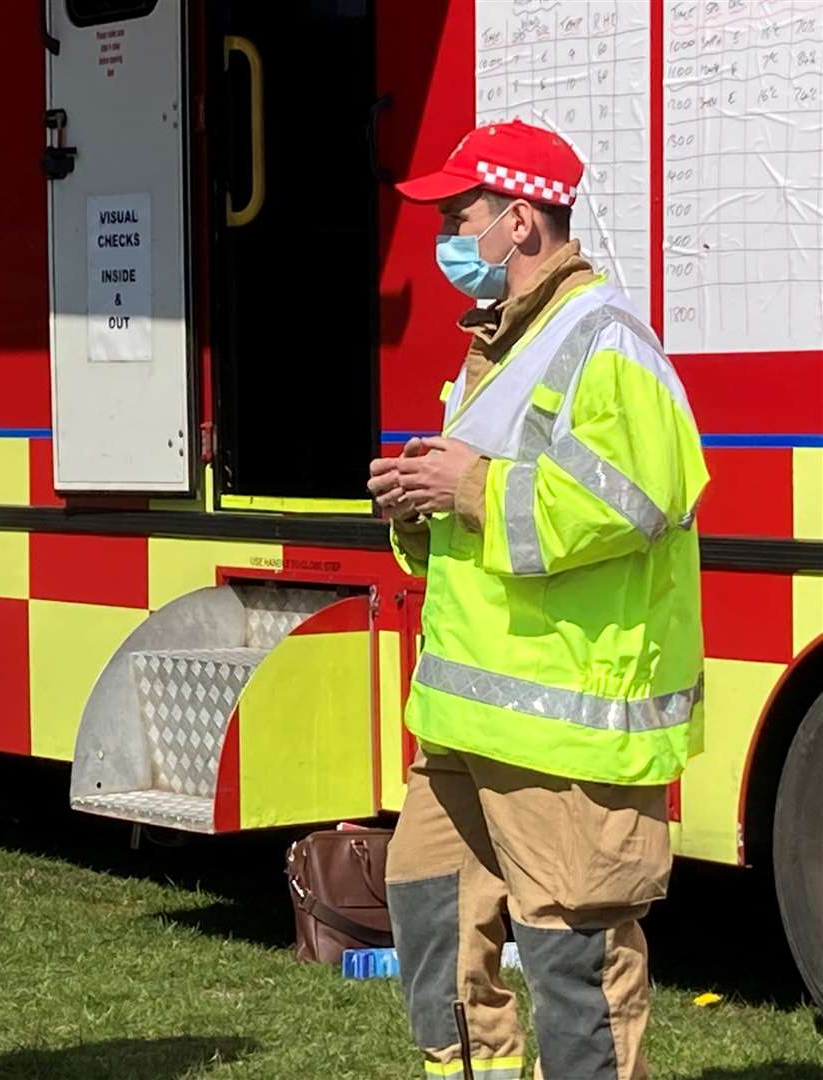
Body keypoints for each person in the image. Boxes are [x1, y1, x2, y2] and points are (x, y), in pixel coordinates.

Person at [368, 120, 708, 1080]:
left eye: (457, 215)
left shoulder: (603, 341)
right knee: (432, 915)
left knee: (573, 965)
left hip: (565, 728)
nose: (444, 236)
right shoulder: (500, 347)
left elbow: (637, 499)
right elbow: (482, 518)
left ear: (518, 220)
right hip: (469, 723)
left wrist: (472, 488)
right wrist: (417, 502)